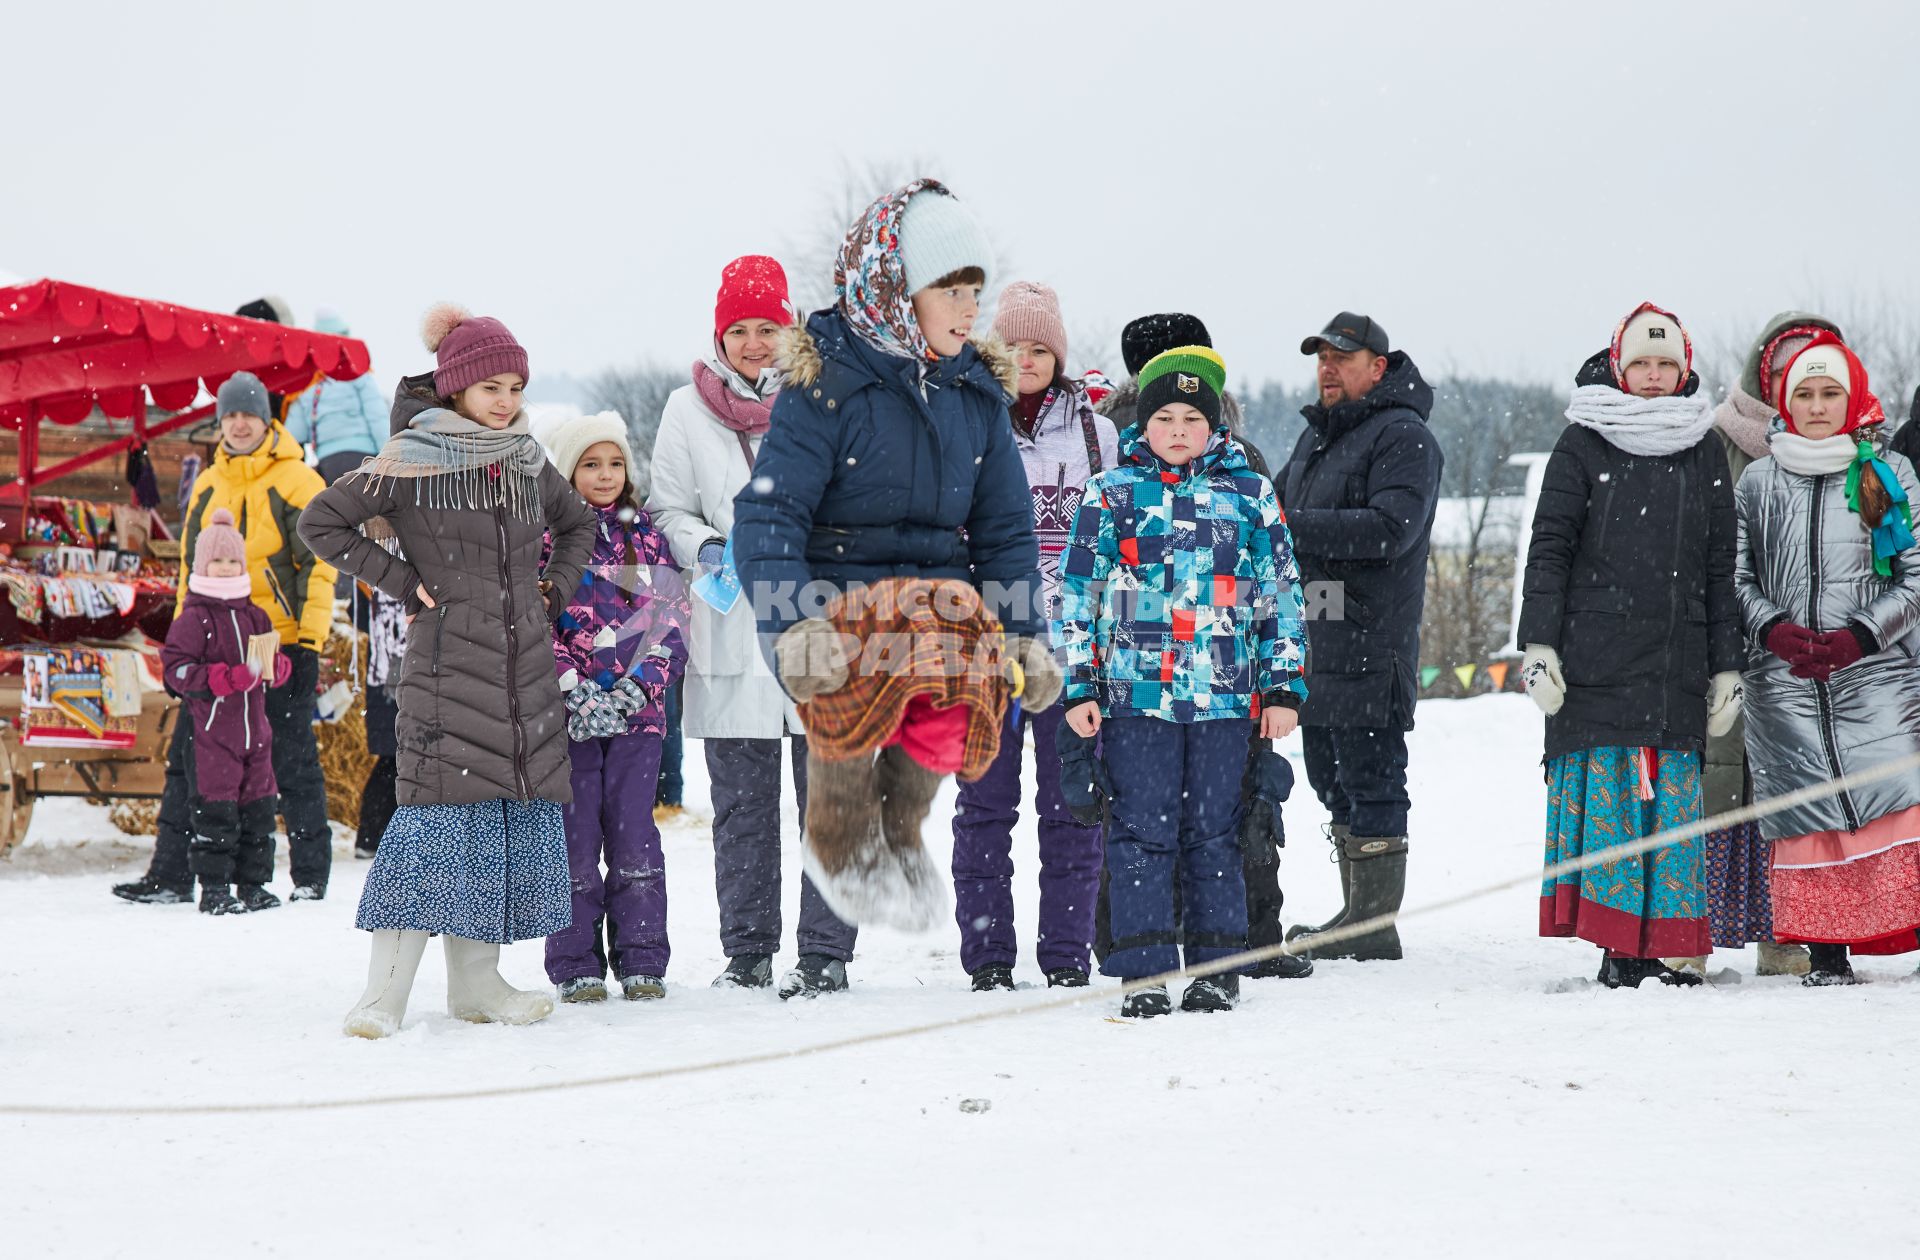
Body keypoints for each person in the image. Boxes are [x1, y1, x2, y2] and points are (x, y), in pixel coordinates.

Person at [732, 179, 1059, 988]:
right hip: (840, 606)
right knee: (845, 713)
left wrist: (1024, 634)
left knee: (959, 705)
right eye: (950, 289)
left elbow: (1006, 531)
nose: (968, 308)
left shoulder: (976, 392)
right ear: (893, 287)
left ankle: (902, 825)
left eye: (974, 291)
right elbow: (767, 519)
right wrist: (794, 626)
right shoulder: (825, 384)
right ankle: (842, 836)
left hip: (938, 610)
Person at [300, 304, 598, 1038]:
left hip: (521, 675)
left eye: (515, 387)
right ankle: (383, 998)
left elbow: (580, 523)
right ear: (456, 388)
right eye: (490, 386)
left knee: (499, 829)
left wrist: (554, 587)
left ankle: (479, 986)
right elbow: (321, 523)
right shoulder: (412, 458)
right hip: (447, 675)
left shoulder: (528, 461)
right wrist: (402, 581)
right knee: (430, 833)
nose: (506, 401)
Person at [1060, 345, 1308, 1016]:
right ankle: (1142, 969)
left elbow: (1281, 596)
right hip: (1138, 697)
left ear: (1214, 424)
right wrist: (1080, 685)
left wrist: (1283, 687)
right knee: (1141, 831)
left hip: (1226, 694)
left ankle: (1215, 966)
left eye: (1189, 418)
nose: (1176, 429)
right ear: (1142, 426)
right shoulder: (1111, 494)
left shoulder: (1249, 494)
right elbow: (1078, 593)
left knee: (1214, 829)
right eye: (1162, 416)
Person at [649, 254, 862, 996]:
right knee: (741, 806)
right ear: (719, 335)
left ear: (789, 327)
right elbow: (666, 508)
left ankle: (827, 952)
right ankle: (747, 950)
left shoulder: (831, 397)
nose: (753, 343)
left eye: (765, 326)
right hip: (732, 620)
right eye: (737, 330)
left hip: (818, 619)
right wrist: (707, 546)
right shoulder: (685, 409)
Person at [1519, 303, 1740, 987]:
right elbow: (1549, 550)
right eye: (1640, 363)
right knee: (1615, 806)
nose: (1651, 375)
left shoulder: (1702, 446)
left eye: (1664, 363)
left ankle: (1668, 948)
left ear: (1684, 368)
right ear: (1619, 365)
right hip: (1594, 661)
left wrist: (1727, 665)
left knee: (1670, 804)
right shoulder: (1583, 442)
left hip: (1675, 660)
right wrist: (1540, 646)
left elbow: (1717, 567)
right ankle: (1620, 947)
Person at [110, 371, 337, 906]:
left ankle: (309, 878)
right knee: (187, 761)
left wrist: (307, 643)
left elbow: (320, 565)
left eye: (248, 414)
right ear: (220, 422)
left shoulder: (297, 481)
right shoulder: (209, 483)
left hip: (272, 644)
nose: (238, 424)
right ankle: (170, 876)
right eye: (229, 415)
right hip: (213, 650)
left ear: (267, 419)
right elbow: (191, 563)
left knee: (289, 760)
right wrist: (184, 649)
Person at [1735, 333, 1920, 985]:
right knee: (1809, 811)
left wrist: (1860, 638)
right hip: (1786, 683)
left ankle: (1904, 929)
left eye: (1829, 394)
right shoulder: (1758, 479)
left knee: (1894, 803)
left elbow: (1915, 575)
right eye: (1804, 394)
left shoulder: (1888, 474)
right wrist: (1775, 631)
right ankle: (1825, 950)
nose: (1816, 406)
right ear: (1785, 402)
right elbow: (1736, 576)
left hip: (1876, 679)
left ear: (1852, 398)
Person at [948, 281, 1114, 991]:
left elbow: (1117, 535)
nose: (1026, 358)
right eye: (1012, 346)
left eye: (1039, 347)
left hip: (1073, 652)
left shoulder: (1095, 434)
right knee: (984, 807)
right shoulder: (966, 419)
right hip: (988, 648)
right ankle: (988, 956)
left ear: (1058, 354)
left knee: (1071, 807)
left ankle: (1066, 954)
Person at [1280, 313, 1443, 961]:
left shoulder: (1404, 437)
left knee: (1373, 780)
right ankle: (1355, 916)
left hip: (1372, 644)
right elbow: (1274, 513)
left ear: (1378, 366)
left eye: (1342, 357)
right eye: (1320, 356)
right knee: (1333, 781)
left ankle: (1373, 926)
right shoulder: (1314, 439)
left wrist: (1289, 526)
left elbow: (1388, 529)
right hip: (1316, 643)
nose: (1327, 367)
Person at [1689, 313, 1843, 979]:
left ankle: (1789, 934)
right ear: (1764, 372)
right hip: (1732, 631)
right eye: (1784, 370)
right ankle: (1691, 929)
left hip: (1815, 646)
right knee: (1721, 785)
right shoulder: (1719, 441)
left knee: (1801, 792)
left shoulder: (1852, 449)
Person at [542, 411, 688, 1003]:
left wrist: (639, 686)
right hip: (569, 718)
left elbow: (672, 615)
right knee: (575, 836)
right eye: (590, 464)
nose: (605, 475)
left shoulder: (647, 535)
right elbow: (530, 619)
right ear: (567, 471)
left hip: (638, 715)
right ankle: (575, 961)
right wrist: (570, 687)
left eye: (615, 463)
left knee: (633, 833)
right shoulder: (546, 540)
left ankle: (643, 957)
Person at [161, 509, 293, 915]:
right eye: (217, 561)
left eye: (232, 561)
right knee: (215, 813)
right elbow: (177, 670)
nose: (225, 568)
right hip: (212, 734)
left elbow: (272, 662)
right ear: (202, 566)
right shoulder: (193, 618)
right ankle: (214, 887)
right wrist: (223, 678)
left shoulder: (256, 615)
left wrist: (278, 667)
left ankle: (253, 885)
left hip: (256, 733)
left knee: (259, 812)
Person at [282, 309, 388, 485]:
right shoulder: (357, 372)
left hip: (328, 463)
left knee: (337, 510)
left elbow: (294, 435)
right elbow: (377, 417)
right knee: (368, 509)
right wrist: (388, 458)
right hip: (364, 457)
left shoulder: (309, 382)